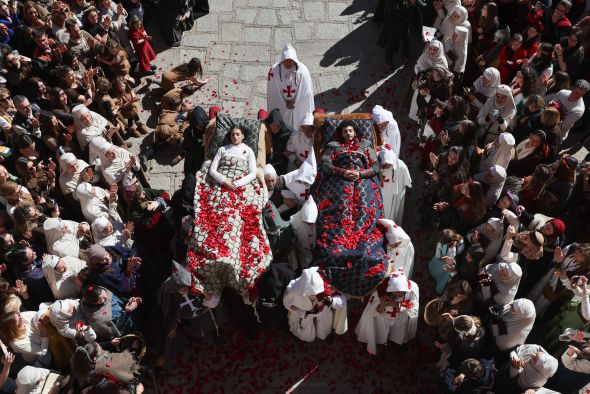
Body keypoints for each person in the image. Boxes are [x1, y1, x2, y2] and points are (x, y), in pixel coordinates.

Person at [186, 125, 272, 304]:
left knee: (240, 215)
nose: (235, 136)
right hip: (222, 185)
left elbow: (251, 173)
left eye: (238, 134)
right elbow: (212, 169)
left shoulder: (248, 151)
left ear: (242, 136)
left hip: (240, 185)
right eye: (232, 134)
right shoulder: (222, 149)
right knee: (219, 210)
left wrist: (238, 183)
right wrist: (224, 181)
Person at [313, 121, 387, 296]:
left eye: (350, 130)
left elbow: (375, 167)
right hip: (339, 180)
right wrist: (343, 172)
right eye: (345, 131)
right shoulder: (333, 146)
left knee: (364, 205)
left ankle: (361, 241)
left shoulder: (365, 146)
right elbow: (326, 165)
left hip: (361, 180)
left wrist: (360, 174)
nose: (348, 133)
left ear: (355, 132)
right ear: (341, 133)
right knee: (341, 207)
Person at [355, 269, 419, 354]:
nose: (399, 293)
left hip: (400, 319)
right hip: (382, 319)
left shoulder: (412, 291)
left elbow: (414, 312)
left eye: (401, 291)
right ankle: (377, 343)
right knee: (379, 335)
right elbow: (373, 312)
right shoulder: (381, 291)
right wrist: (382, 305)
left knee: (397, 337)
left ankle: (396, 345)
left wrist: (397, 305)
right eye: (396, 291)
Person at [282, 267, 347, 342]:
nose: (315, 296)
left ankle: (325, 335)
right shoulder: (293, 290)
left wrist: (331, 301)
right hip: (303, 319)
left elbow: (342, 300)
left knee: (323, 331)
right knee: (305, 334)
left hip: (323, 316)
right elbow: (287, 304)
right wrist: (301, 311)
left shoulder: (326, 285)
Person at [267, 43, 314, 131]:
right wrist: (284, 103)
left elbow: (306, 92)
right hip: (281, 102)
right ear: (282, 60)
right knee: (283, 123)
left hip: (298, 103)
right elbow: (273, 92)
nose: (288, 63)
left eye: (290, 60)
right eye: (286, 60)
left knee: (299, 123)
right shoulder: (274, 70)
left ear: (295, 60)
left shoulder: (303, 70)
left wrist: (295, 103)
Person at [378, 145, 412, 224]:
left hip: (396, 197)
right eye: (383, 165)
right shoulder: (376, 166)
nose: (385, 167)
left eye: (388, 164)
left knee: (394, 217)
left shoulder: (401, 166)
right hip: (382, 195)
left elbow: (408, 183)